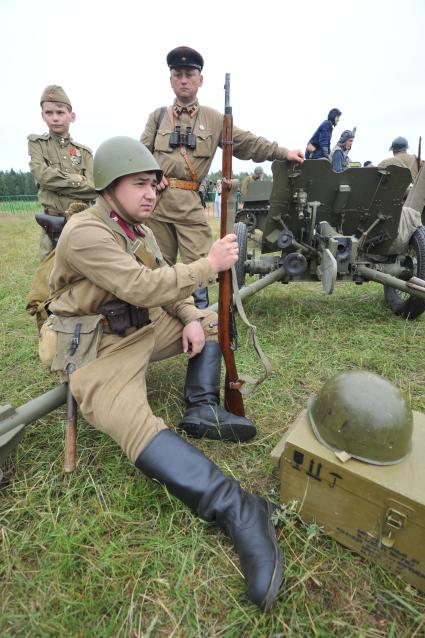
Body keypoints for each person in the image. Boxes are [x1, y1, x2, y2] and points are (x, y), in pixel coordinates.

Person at [43, 135, 283, 610]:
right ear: (110, 187)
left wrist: (192, 319)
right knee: (135, 428)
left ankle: (202, 409)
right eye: (140, 184)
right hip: (99, 344)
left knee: (215, 319)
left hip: (141, 325)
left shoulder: (138, 227)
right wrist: (208, 265)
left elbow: (163, 278)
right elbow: (140, 283)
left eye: (154, 184)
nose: (152, 193)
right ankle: (239, 509)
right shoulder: (86, 232)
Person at [141, 46, 304, 309]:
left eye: (189, 74)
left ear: (200, 80)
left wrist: (283, 152)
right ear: (171, 79)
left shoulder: (215, 119)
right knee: (159, 265)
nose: (183, 79)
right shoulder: (158, 117)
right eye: (178, 74)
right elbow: (140, 155)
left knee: (201, 266)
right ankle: (161, 321)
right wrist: (150, 176)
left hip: (190, 206)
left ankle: (202, 320)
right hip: (157, 205)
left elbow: (247, 143)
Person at [28, 85, 97, 261]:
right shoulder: (38, 144)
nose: (55, 118)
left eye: (60, 112)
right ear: (42, 115)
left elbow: (95, 187)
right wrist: (77, 179)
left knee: (83, 267)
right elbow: (42, 176)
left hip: (80, 221)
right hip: (50, 222)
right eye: (49, 113)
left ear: (71, 116)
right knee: (48, 272)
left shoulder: (84, 153)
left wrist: (57, 182)